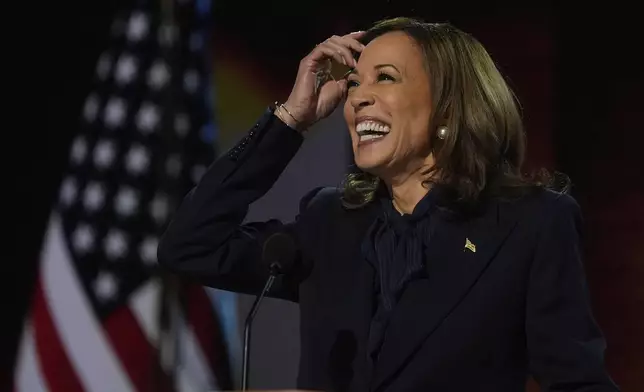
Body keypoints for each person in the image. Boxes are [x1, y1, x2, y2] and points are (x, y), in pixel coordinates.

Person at [157, 17, 619, 392]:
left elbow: (579, 384)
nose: (358, 98)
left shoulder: (531, 223)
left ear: (448, 108)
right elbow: (191, 245)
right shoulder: (329, 220)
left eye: (385, 78)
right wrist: (290, 120)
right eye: (354, 83)